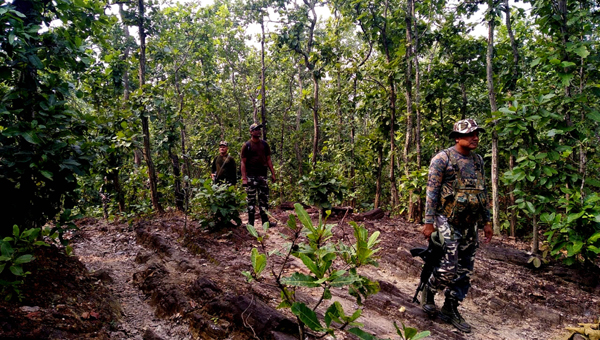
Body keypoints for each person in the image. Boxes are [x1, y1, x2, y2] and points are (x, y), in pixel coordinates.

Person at [420, 118, 494, 333]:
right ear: (457, 137)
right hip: (447, 219)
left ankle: (451, 307)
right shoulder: (442, 159)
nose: (475, 137)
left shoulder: (478, 160)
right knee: (448, 267)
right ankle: (429, 290)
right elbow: (432, 192)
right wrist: (428, 222)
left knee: (465, 270)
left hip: (470, 223)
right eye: (470, 134)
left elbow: (483, 192)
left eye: (476, 133)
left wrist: (487, 222)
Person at [241, 123, 277, 227]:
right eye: (255, 129)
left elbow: (268, 160)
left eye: (259, 129)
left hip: (263, 176)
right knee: (251, 200)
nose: (258, 131)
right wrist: (244, 178)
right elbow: (243, 162)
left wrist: (273, 174)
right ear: (251, 132)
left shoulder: (265, 145)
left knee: (264, 200)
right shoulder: (247, 146)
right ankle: (250, 223)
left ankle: (266, 222)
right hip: (251, 176)